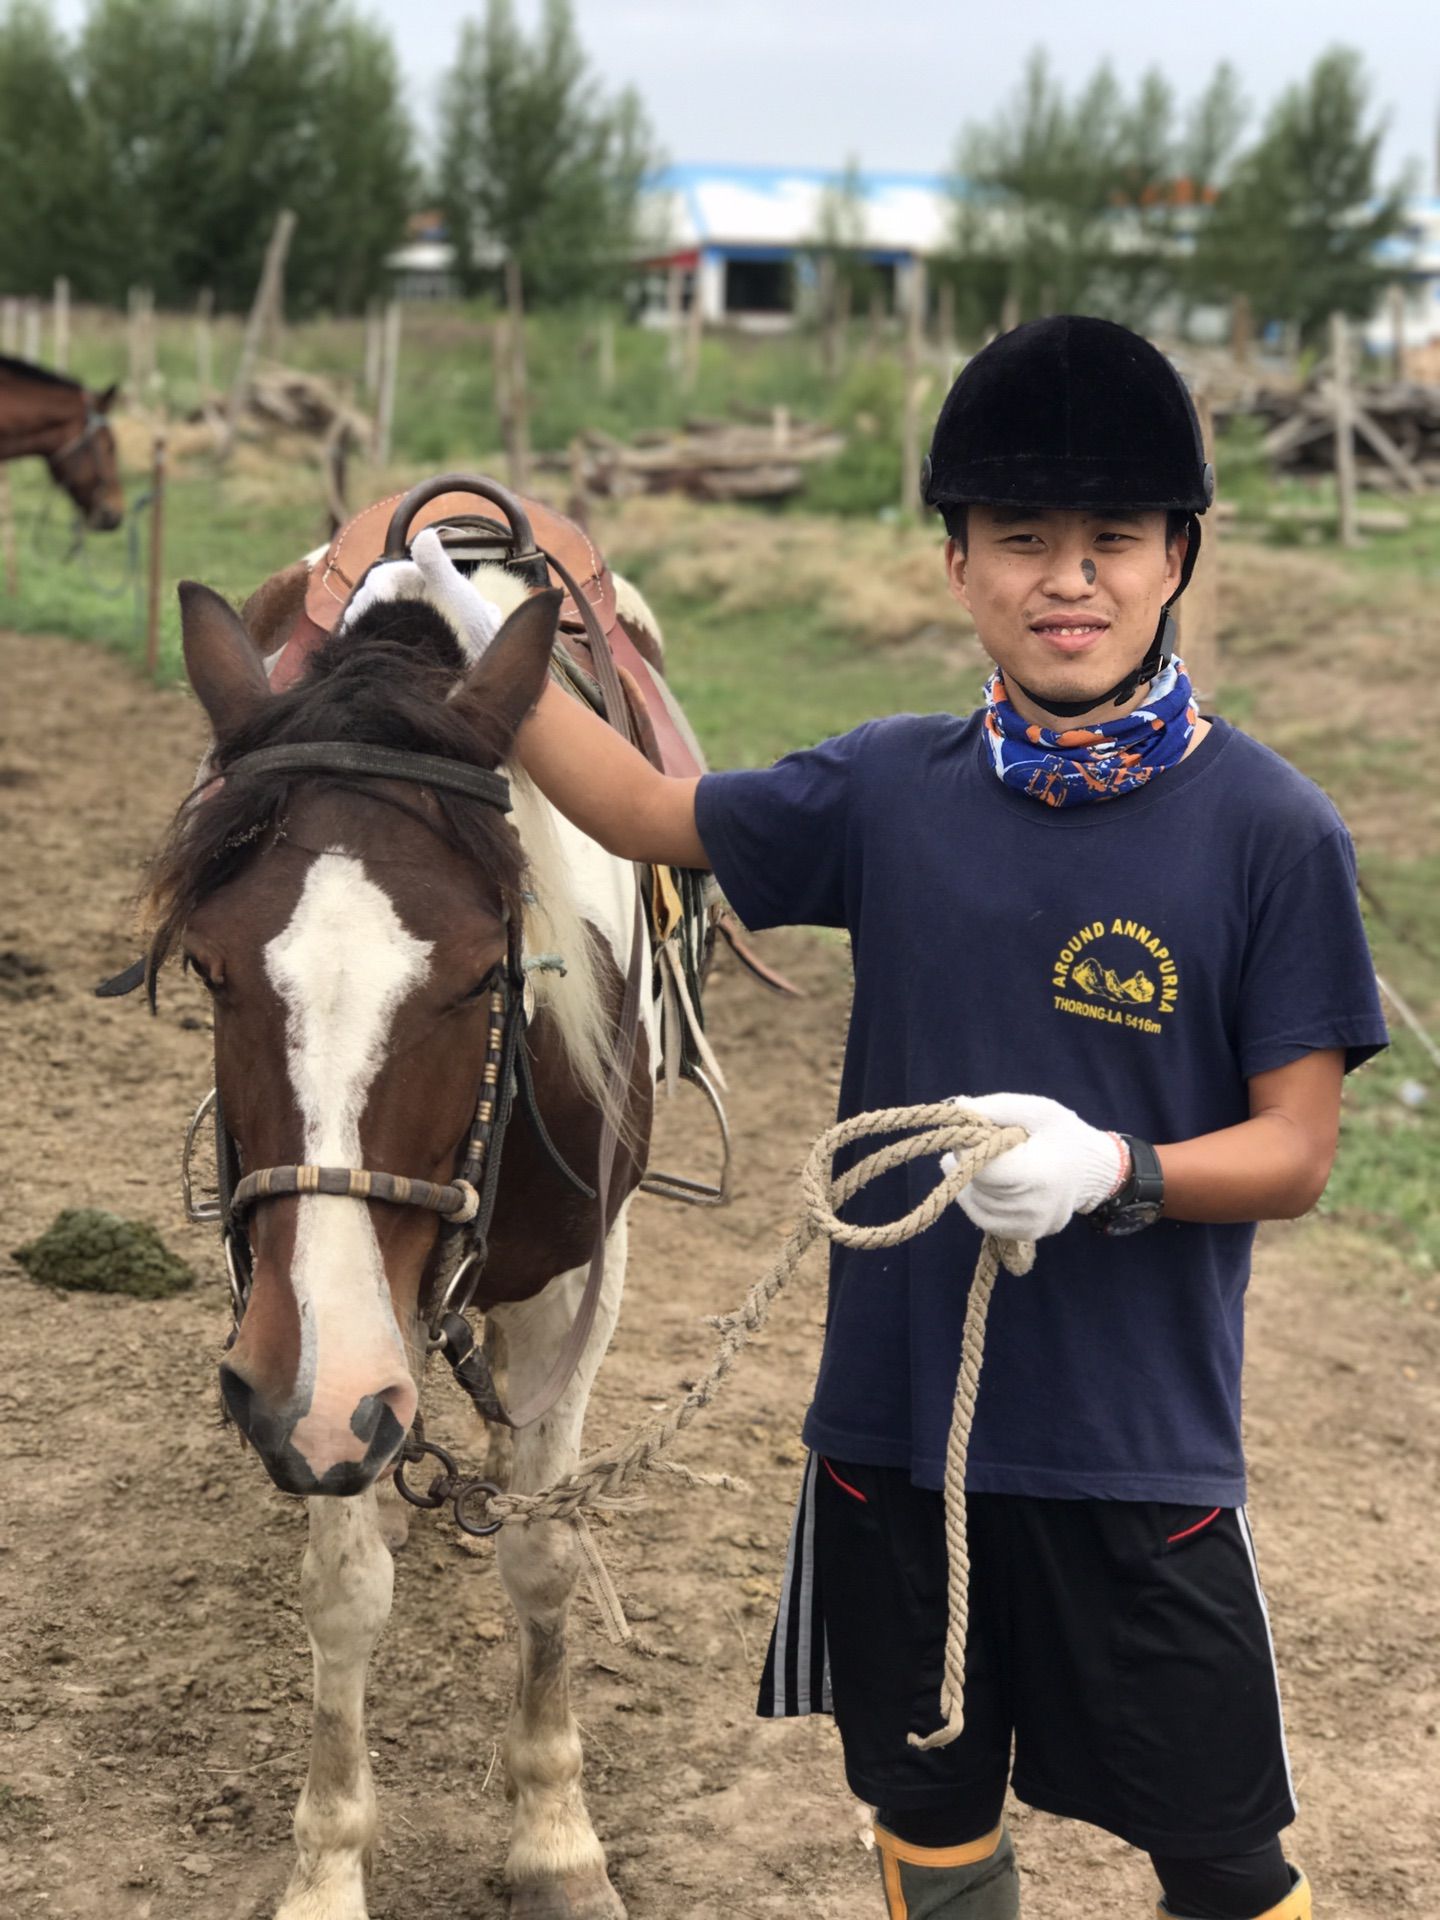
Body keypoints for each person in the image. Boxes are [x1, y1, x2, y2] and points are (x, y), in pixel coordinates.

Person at [427, 316, 1389, 1920]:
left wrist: (1116, 1171)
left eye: (1111, 541)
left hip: (1136, 1459)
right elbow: (645, 812)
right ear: (957, 565)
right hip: (891, 1442)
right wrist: (486, 635)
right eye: (1021, 539)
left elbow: (1295, 1151)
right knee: (925, 1813)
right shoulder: (887, 787)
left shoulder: (1272, 832)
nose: (1066, 579)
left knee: (1224, 1861)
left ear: (1177, 561)